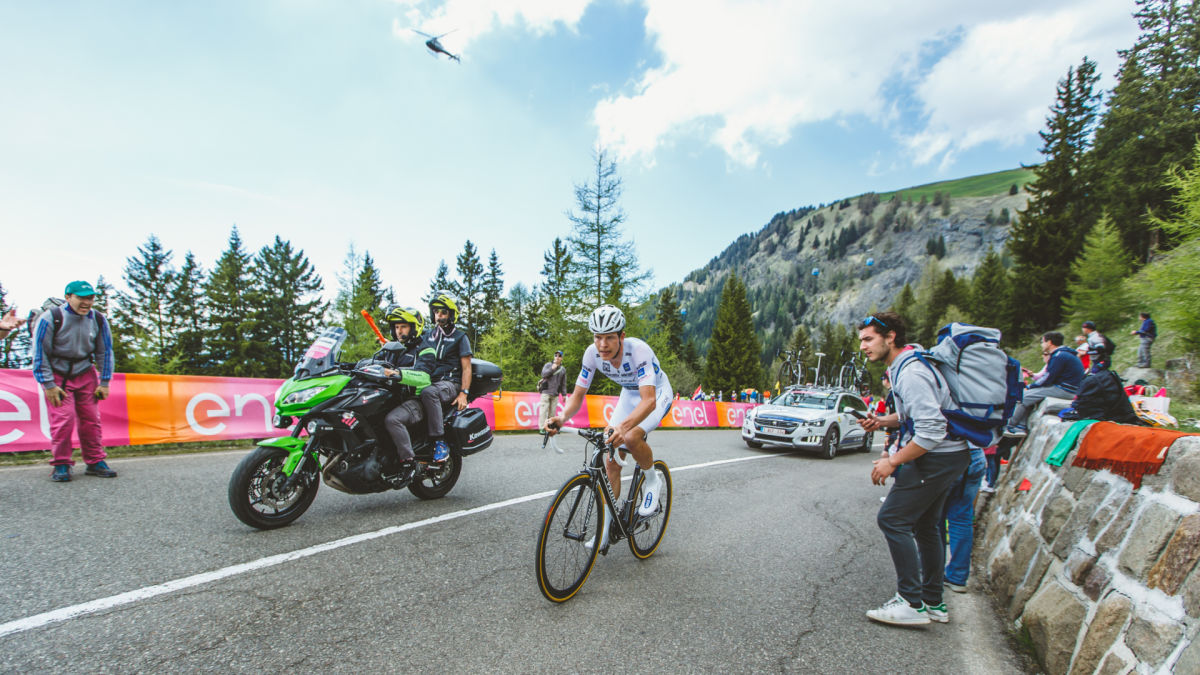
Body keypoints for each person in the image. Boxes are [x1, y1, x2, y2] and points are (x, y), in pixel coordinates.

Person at [855, 311, 970, 626]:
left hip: (937, 457)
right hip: (951, 456)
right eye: (862, 340)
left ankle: (910, 603)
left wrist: (892, 461)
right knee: (926, 526)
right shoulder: (908, 365)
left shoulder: (911, 372)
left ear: (890, 337)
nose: (863, 346)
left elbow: (932, 430)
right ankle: (933, 601)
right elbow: (914, 415)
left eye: (869, 339)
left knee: (892, 519)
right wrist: (882, 421)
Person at [546, 305, 673, 548]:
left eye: (609, 338)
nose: (602, 344)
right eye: (597, 337)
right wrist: (561, 419)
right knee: (611, 460)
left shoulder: (639, 351)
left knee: (632, 437)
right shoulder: (591, 354)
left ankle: (652, 480)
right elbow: (577, 396)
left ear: (622, 336)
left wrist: (623, 428)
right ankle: (605, 530)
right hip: (629, 395)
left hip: (656, 394)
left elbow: (649, 401)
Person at [32, 281, 116, 482]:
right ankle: (61, 463)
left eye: (90, 298)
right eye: (81, 298)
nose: (86, 302)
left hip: (85, 372)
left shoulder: (98, 319)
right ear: (68, 297)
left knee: (91, 420)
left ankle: (95, 461)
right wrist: (48, 384)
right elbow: (40, 353)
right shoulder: (50, 318)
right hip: (58, 375)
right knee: (63, 419)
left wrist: (104, 381)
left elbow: (105, 351)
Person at [377, 305, 434, 481]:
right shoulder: (393, 349)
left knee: (392, 420)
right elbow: (376, 365)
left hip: (416, 400)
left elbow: (425, 377)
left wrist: (399, 374)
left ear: (414, 327)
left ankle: (409, 463)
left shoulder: (425, 349)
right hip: (393, 398)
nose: (399, 331)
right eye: (396, 327)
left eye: (403, 327)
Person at [418, 291, 472, 463]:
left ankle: (439, 442)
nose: (438, 315)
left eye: (443, 312)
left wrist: (463, 393)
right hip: (428, 380)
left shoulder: (460, 337)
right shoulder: (427, 335)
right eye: (436, 312)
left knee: (429, 393)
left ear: (451, 314)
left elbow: (467, 368)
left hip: (450, 383)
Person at [1003, 332, 1086, 438]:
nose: (1042, 345)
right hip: (1069, 389)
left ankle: (1009, 426)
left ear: (1049, 342)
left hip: (1064, 390)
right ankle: (1021, 426)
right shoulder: (1066, 354)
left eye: (1043, 342)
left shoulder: (1059, 356)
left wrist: (1030, 386)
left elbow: (1048, 377)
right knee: (1031, 394)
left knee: (1023, 396)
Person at [940, 445, 987, 593]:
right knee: (962, 519)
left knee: (934, 518)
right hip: (976, 455)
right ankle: (957, 577)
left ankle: (931, 572)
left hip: (947, 455)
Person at [538, 350, 567, 432]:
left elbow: (563, 383)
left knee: (552, 413)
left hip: (555, 393)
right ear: (554, 357)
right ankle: (542, 428)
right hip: (546, 392)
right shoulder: (548, 365)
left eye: (559, 356)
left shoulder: (563, 369)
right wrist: (552, 369)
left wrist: (564, 394)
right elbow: (543, 374)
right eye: (556, 355)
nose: (557, 357)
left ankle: (549, 427)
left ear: (561, 358)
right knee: (543, 411)